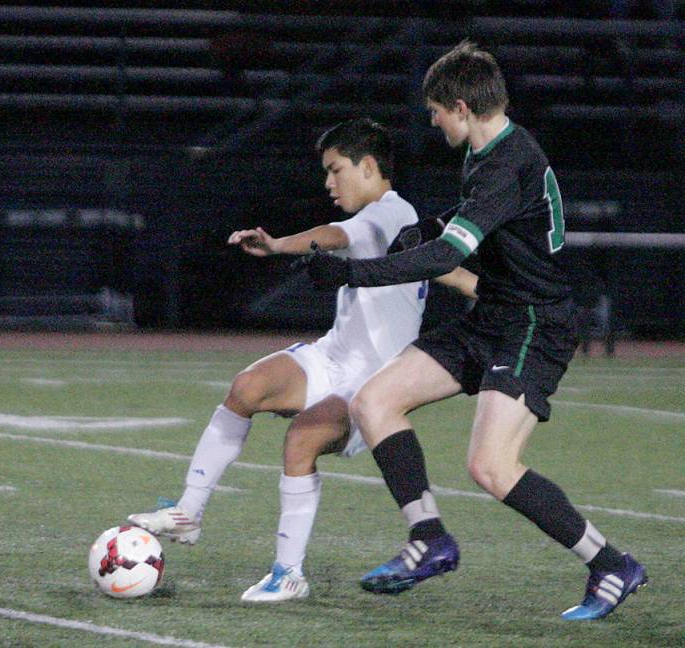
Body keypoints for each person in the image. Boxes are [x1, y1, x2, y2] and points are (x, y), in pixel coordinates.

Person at [301, 41, 646, 620]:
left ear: (461, 106)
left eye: (436, 110)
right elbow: (478, 228)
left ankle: (610, 563)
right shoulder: (488, 154)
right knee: (374, 400)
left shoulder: (507, 163)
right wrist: (426, 228)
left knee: (490, 466)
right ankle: (429, 539)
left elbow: (448, 257)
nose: (432, 121)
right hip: (495, 314)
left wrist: (351, 272)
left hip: (535, 324)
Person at [128, 118, 478, 602]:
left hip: (371, 384)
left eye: (336, 170)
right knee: (247, 387)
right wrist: (478, 287)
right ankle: (189, 511)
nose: (328, 183)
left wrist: (276, 245)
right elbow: (443, 269)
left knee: (301, 441)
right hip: (333, 356)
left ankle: (288, 574)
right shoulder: (401, 226)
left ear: (369, 166)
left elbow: (334, 235)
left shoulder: (390, 212)